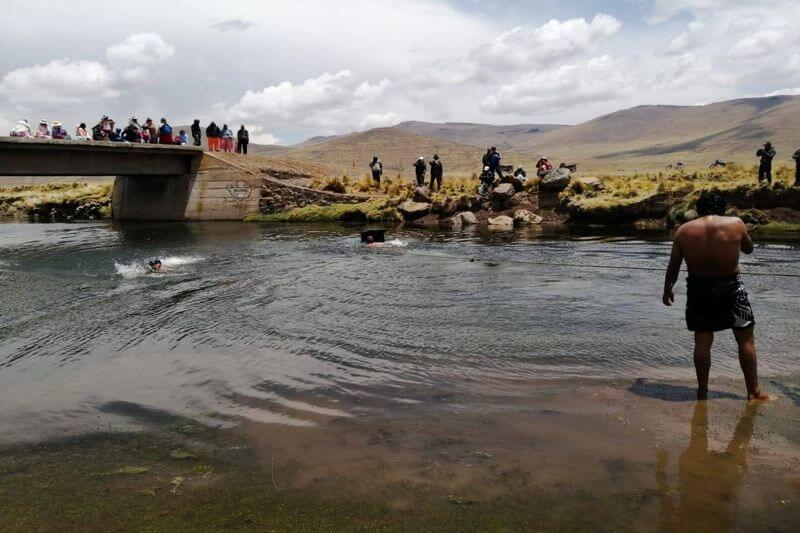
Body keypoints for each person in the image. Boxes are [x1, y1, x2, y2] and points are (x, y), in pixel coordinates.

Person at [662, 190, 769, 402]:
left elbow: (673, 267)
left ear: (699, 209)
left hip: (699, 290)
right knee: (745, 339)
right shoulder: (736, 223)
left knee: (702, 342)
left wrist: (667, 289)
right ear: (723, 208)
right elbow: (749, 249)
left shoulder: (683, 231)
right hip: (732, 288)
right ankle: (753, 392)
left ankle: (702, 392)